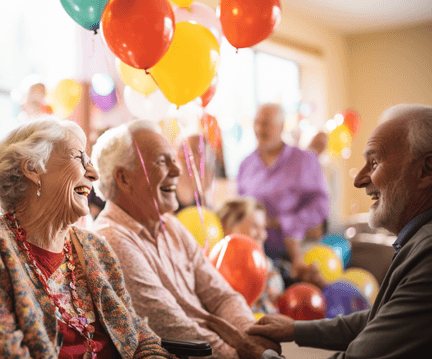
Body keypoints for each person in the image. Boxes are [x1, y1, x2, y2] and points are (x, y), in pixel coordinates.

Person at [0, 117, 172, 358]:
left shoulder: (94, 248)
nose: (94, 173)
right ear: (33, 168)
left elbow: (137, 334)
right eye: (79, 157)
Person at [249, 104, 432, 359]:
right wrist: (294, 330)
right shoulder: (419, 240)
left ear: (427, 170)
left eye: (374, 162)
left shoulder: (431, 252)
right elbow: (379, 319)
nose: (359, 179)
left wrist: (262, 357)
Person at [91, 120, 281, 359]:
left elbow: (221, 295)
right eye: (162, 161)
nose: (178, 170)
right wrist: (242, 354)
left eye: (175, 159)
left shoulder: (170, 224)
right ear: (124, 178)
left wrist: (251, 337)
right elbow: (172, 327)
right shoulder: (111, 238)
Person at [237, 104, 329, 287]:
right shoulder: (245, 165)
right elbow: (241, 210)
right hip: (257, 256)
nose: (259, 129)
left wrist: (285, 222)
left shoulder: (304, 160)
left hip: (297, 253)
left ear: (281, 127)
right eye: (257, 123)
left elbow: (321, 207)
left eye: (266, 124)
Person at [216, 198, 284, 314]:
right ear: (231, 226)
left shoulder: (270, 268)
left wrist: (279, 301)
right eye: (255, 227)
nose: (262, 235)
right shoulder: (215, 266)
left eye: (263, 228)